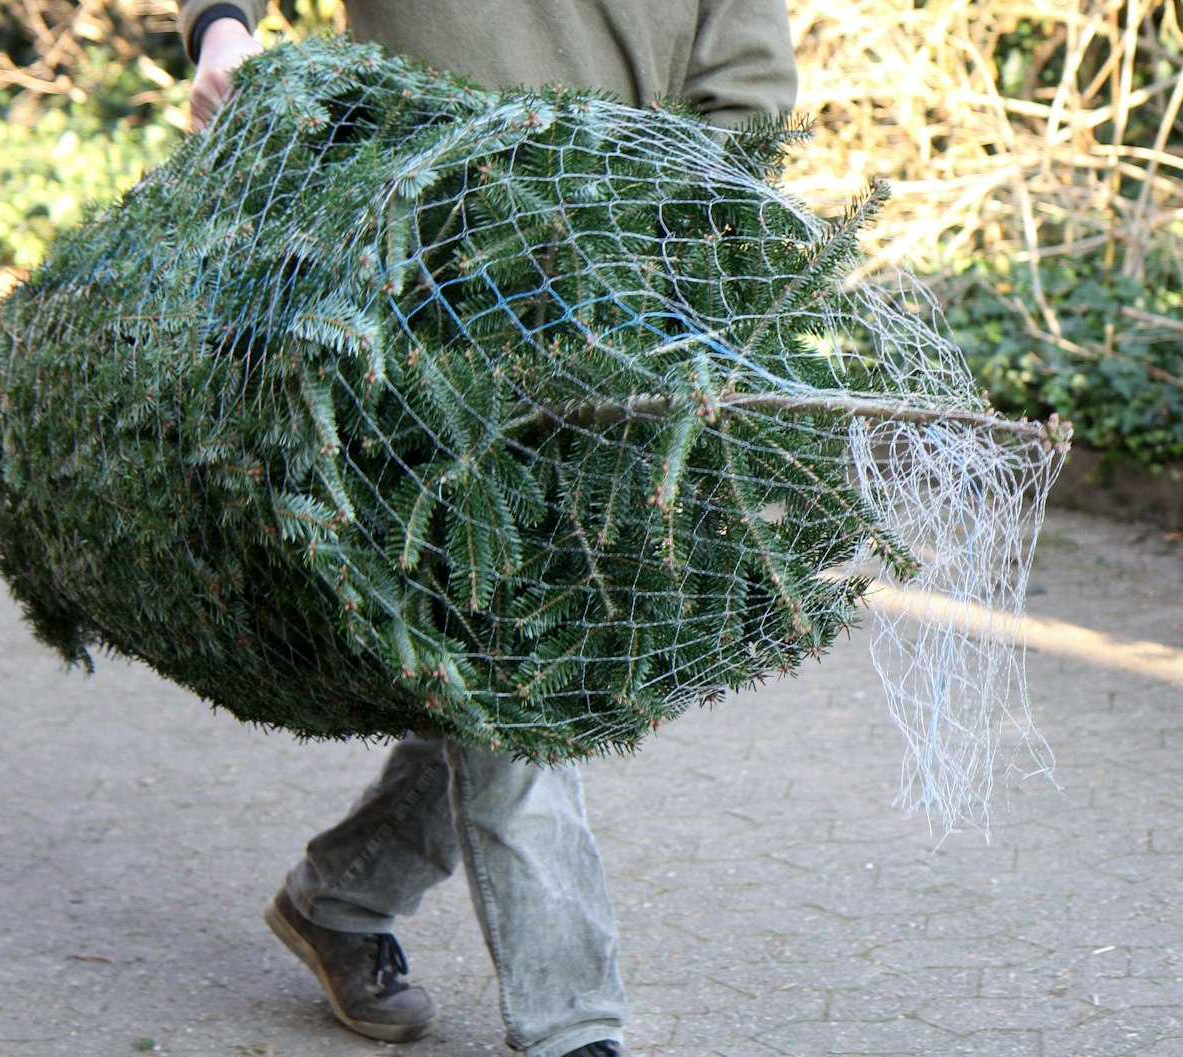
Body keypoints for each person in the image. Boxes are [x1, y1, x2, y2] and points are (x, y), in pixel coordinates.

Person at [174, 5, 800, 1056]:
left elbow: (742, 97)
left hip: (608, 313)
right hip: (400, 293)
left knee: (510, 650)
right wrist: (222, 32)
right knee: (508, 640)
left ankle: (338, 895)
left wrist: (679, 281)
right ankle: (571, 1023)